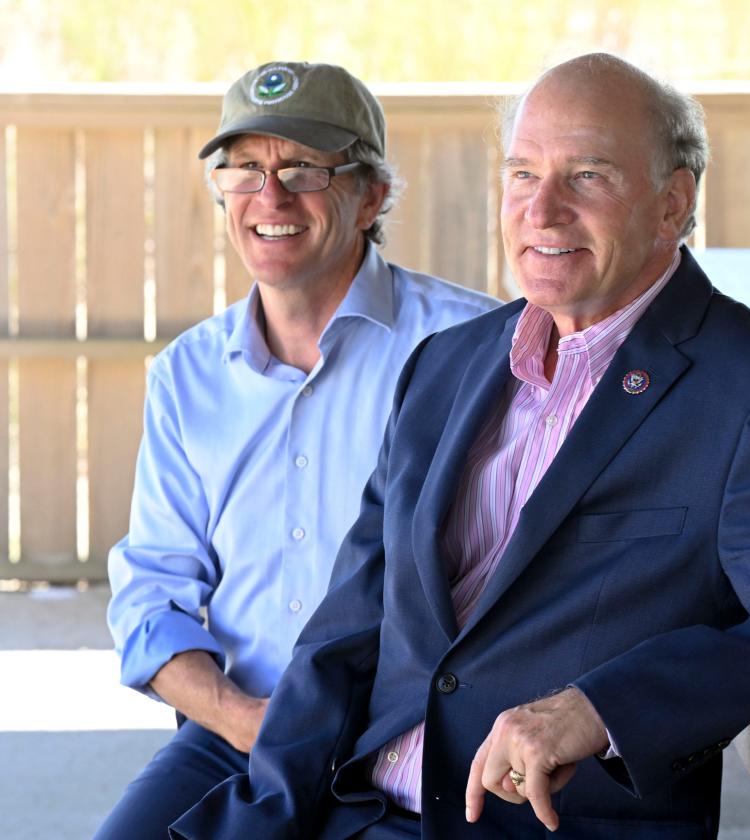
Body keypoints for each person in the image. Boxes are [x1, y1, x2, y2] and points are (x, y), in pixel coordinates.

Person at [170, 53, 750, 839]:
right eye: (523, 174)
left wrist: (602, 706)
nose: (543, 210)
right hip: (355, 810)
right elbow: (346, 630)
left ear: (673, 203)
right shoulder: (447, 366)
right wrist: (266, 816)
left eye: (588, 176)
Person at [97, 61, 497, 839]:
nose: (269, 197)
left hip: (406, 745)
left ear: (371, 193)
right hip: (236, 736)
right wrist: (244, 720)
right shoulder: (189, 373)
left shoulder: (470, 349)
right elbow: (152, 590)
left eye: (305, 168)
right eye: (244, 169)